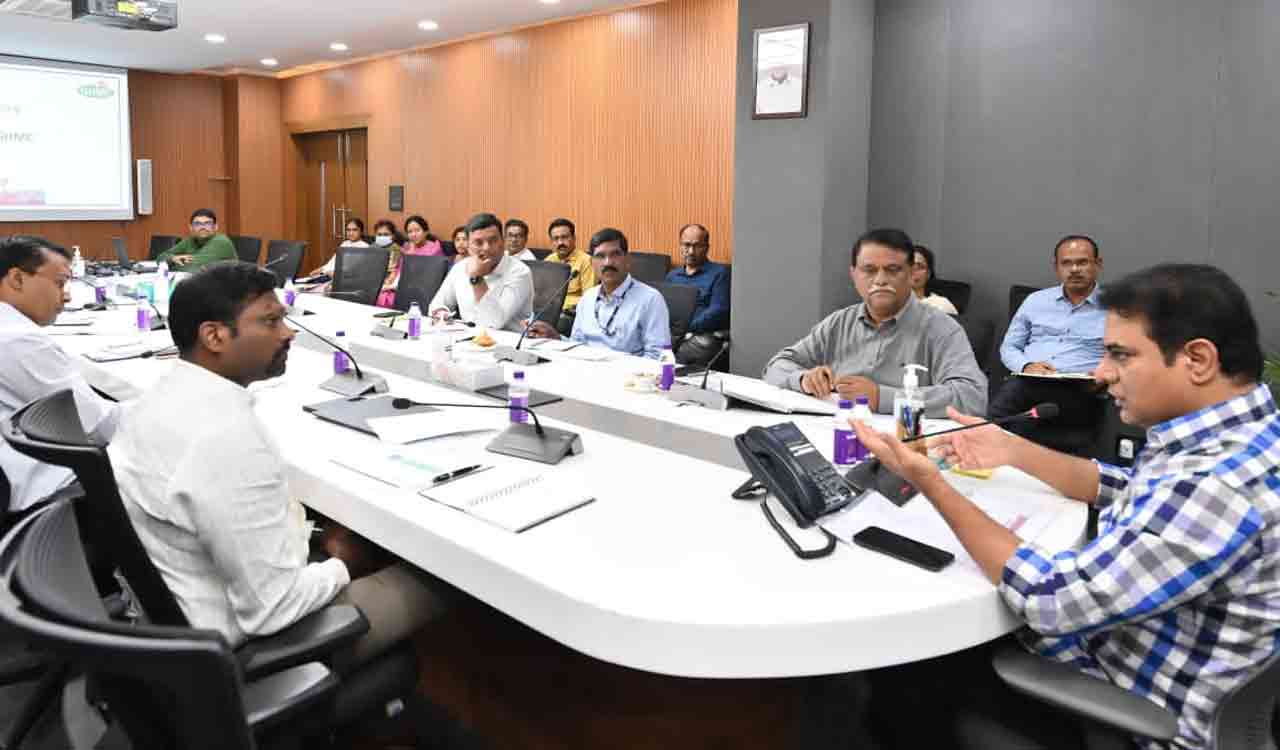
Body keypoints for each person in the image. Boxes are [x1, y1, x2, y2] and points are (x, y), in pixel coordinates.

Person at [854, 264, 1280, 750]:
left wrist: (930, 483)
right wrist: (1012, 449)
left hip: (1128, 715)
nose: (1101, 373)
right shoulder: (1245, 441)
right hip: (1136, 657)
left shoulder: (1216, 486)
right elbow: (1134, 490)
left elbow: (1050, 599)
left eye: (1120, 355)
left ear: (1197, 359)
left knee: (906, 670)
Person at [107, 261, 445, 671]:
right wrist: (345, 562)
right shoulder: (224, 439)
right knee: (439, 578)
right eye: (270, 321)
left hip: (175, 614)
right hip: (239, 649)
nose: (288, 333)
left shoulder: (156, 399)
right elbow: (271, 609)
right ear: (214, 336)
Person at [762, 228, 987, 416]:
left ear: (911, 274)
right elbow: (776, 366)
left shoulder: (941, 328)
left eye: (892, 270)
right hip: (836, 432)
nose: (880, 280)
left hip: (904, 443)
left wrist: (882, 397)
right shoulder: (839, 323)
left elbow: (972, 398)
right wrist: (803, 379)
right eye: (869, 270)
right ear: (854, 275)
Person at [0, 236, 118, 514]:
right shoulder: (18, 339)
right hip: (40, 488)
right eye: (59, 283)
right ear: (17, 279)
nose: (66, 296)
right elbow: (96, 424)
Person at [991, 234, 1106, 435]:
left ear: (1098, 264)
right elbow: (1009, 347)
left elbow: (1125, 355)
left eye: (1082, 262)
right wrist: (1026, 366)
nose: (1074, 269)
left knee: (1023, 427)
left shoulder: (1117, 307)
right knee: (999, 416)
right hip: (1029, 382)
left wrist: (1104, 374)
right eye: (1066, 263)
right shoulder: (1035, 301)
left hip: (1080, 389)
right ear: (1056, 267)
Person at [525, 228, 671, 360]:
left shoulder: (650, 299)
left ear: (627, 259)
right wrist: (556, 338)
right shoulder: (588, 298)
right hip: (587, 372)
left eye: (615, 255)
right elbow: (577, 345)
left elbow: (658, 356)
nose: (607, 263)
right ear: (592, 263)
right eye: (600, 256)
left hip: (628, 377)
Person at [428, 213, 533, 332]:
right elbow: (437, 304)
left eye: (493, 240)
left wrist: (477, 278)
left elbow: (493, 322)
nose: (486, 248)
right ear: (468, 246)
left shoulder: (520, 272)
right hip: (466, 338)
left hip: (509, 340)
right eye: (478, 242)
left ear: (503, 242)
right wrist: (441, 314)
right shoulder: (460, 268)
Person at [664, 223, 730, 365]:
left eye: (697, 246)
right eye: (686, 245)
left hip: (701, 334)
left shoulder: (719, 273)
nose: (691, 251)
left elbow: (719, 310)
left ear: (706, 247)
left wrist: (687, 328)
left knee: (701, 346)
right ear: (680, 246)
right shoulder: (672, 276)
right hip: (673, 334)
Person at [543, 218, 597, 334]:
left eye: (564, 237)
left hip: (571, 314)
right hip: (548, 310)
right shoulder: (549, 260)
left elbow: (589, 298)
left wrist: (564, 305)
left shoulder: (586, 261)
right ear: (551, 242)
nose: (560, 243)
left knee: (558, 325)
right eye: (556, 239)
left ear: (573, 238)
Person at [155, 208, 238, 271]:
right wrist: (172, 259)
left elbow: (192, 268)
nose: (203, 227)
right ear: (191, 227)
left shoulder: (221, 242)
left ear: (215, 227)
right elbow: (160, 257)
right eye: (197, 224)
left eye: (207, 223)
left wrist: (169, 265)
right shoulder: (190, 240)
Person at [909, 244, 959, 315]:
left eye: (919, 266)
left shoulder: (940, 304)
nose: (913, 270)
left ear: (928, 274)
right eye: (909, 265)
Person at [370, 219, 406, 308]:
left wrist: (385, 282)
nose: (382, 237)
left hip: (387, 282)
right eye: (379, 234)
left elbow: (393, 271)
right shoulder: (372, 247)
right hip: (371, 280)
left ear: (393, 236)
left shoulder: (396, 249)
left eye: (386, 234)